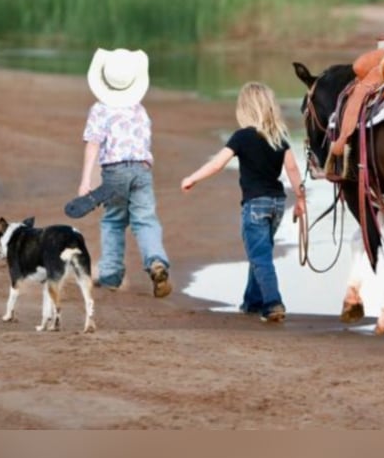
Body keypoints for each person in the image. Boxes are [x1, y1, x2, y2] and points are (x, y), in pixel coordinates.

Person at [180, 82, 306, 322]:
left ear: (245, 108)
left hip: (256, 204)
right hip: (278, 203)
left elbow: (217, 164)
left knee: (260, 256)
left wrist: (192, 178)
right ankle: (252, 302)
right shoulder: (281, 137)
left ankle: (273, 303)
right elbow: (292, 169)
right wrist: (300, 200)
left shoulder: (241, 137)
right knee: (260, 251)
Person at [77, 47, 172, 298]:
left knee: (114, 220)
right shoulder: (139, 110)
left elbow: (94, 145)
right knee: (145, 220)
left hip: (115, 172)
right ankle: (156, 262)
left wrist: (87, 180)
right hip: (142, 170)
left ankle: (110, 273)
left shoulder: (100, 109)